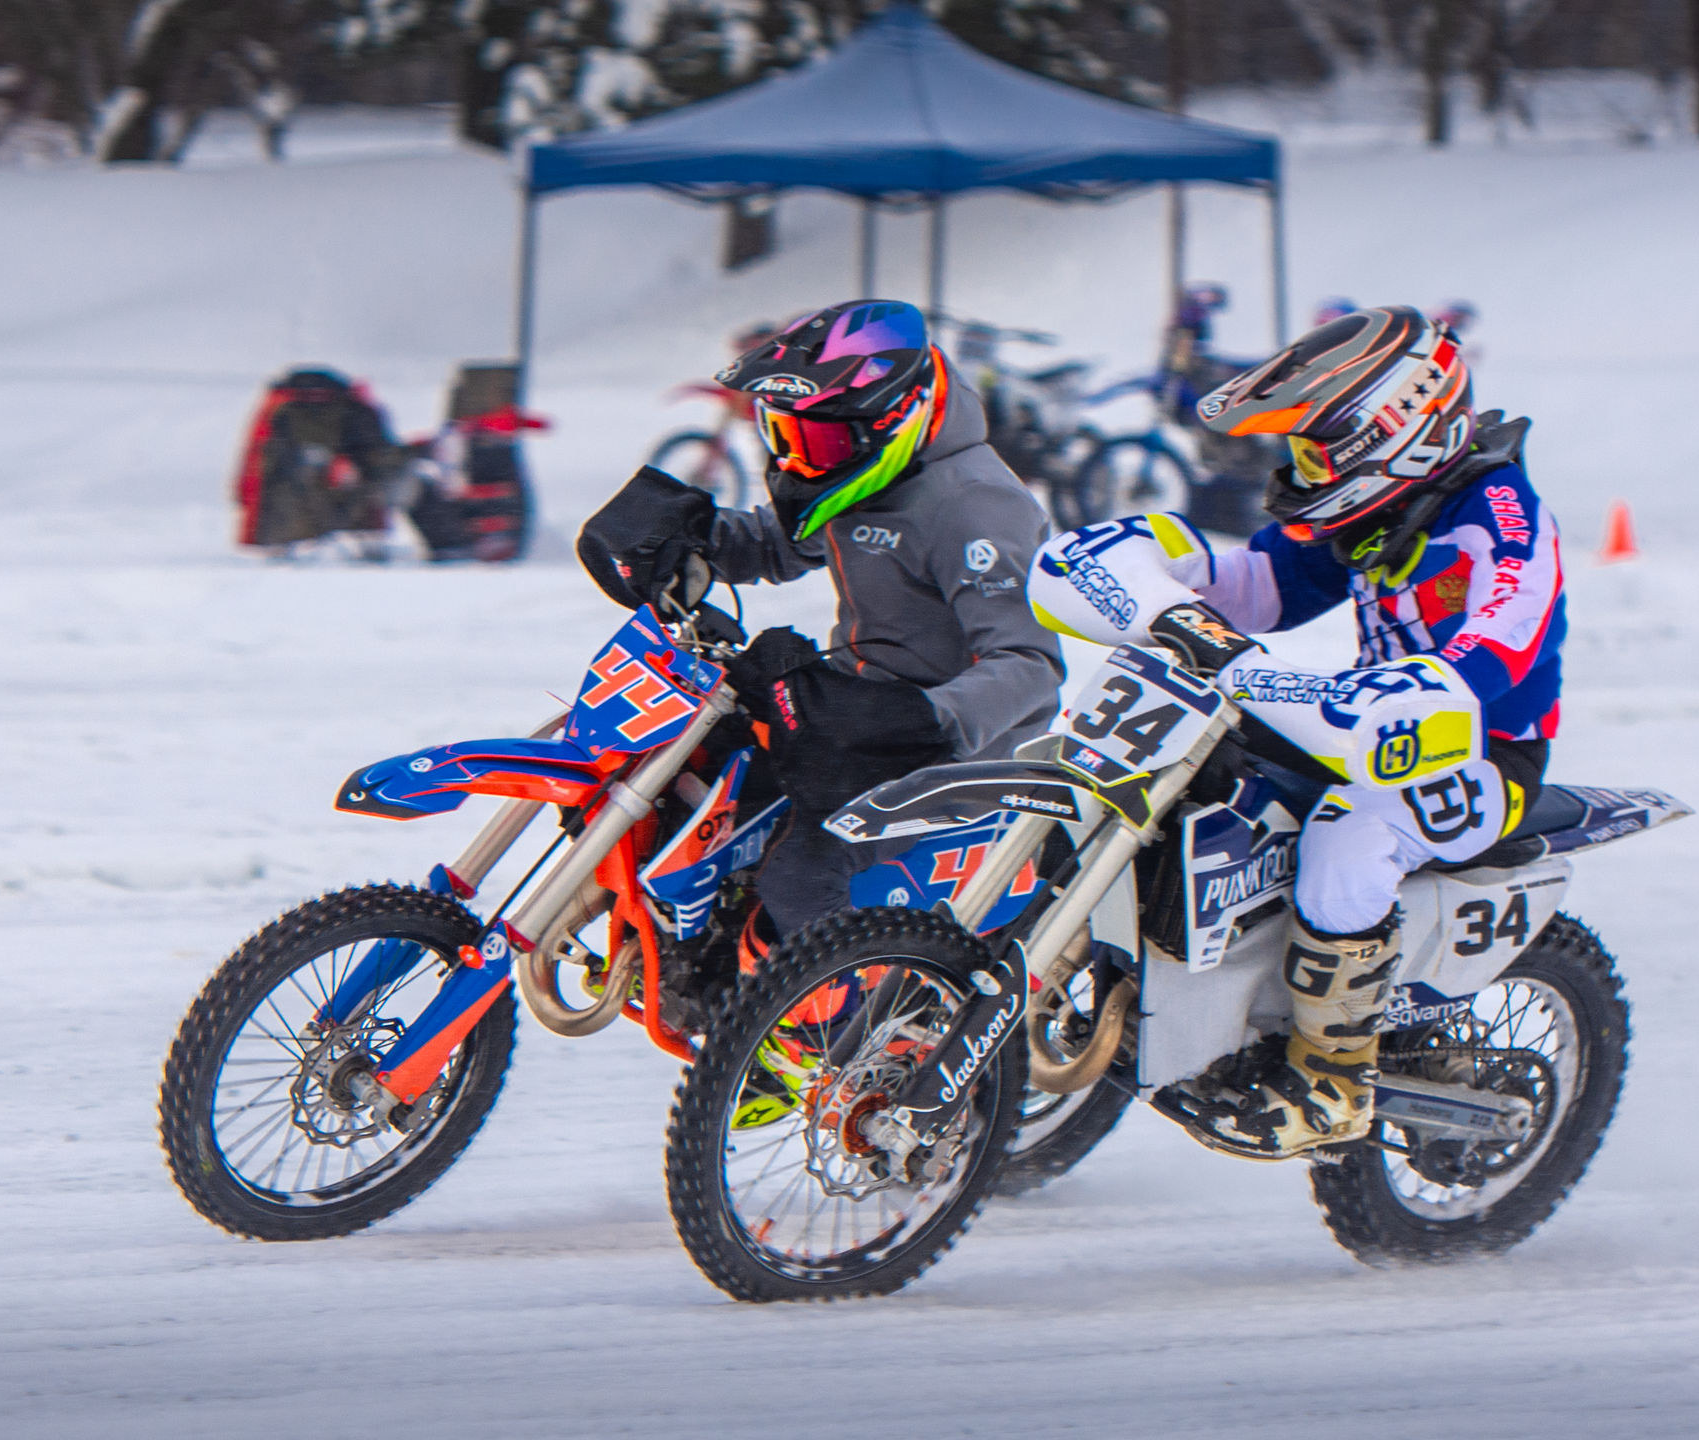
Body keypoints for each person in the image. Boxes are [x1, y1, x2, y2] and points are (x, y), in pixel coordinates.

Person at [1039, 304, 1563, 1159]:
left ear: (1396, 431)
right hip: (1372, 722)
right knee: (1206, 772)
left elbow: (1498, 648)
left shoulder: (1501, 522)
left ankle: (1332, 1077)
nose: (1302, 469)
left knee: (1348, 838)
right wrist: (1165, 576)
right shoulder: (1377, 508)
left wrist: (1402, 693)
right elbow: (1261, 586)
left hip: (1477, 748)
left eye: (1319, 450)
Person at [576, 299, 1062, 948]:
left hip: (946, 749)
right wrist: (688, 536)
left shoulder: (975, 507)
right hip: (852, 710)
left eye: (817, 442)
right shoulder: (850, 472)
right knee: (683, 776)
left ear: (889, 422)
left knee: (798, 873)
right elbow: (779, 542)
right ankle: (702, 955)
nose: (798, 464)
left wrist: (927, 718)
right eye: (783, 438)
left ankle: (819, 1031)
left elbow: (1030, 666)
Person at [233, 367, 407, 560]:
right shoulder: (355, 409)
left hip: (299, 520)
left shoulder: (280, 409)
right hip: (312, 516)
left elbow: (252, 475)